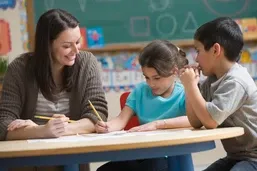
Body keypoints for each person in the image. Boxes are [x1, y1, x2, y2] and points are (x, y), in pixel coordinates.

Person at [0, 9, 108, 171]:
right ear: (47, 45)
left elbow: (97, 115)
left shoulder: (86, 63)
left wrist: (60, 129)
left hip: (71, 157)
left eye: (78, 42)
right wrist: (40, 131)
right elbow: (3, 124)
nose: (76, 51)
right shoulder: (19, 68)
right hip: (28, 160)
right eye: (66, 46)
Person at [95, 40, 191, 171]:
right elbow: (121, 120)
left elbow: (193, 120)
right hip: (144, 155)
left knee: (156, 164)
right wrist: (107, 126)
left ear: (174, 71)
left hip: (172, 157)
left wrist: (157, 124)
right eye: (147, 77)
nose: (151, 84)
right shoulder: (140, 91)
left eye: (156, 78)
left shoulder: (184, 94)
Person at [179, 17, 257, 171]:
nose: (195, 57)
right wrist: (190, 87)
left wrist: (191, 86)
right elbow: (196, 121)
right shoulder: (212, 80)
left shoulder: (236, 81)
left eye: (198, 50)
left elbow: (210, 120)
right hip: (236, 157)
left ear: (215, 50)